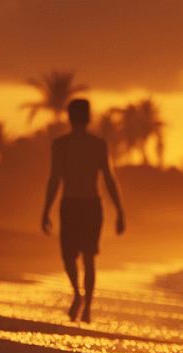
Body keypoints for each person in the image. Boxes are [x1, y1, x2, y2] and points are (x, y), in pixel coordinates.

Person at [41, 98, 124, 323]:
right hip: (88, 205)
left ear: (69, 116)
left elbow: (55, 179)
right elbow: (108, 179)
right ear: (88, 117)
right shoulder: (92, 144)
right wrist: (120, 211)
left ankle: (81, 299)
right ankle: (84, 302)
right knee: (87, 259)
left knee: (71, 257)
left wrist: (46, 211)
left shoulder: (65, 143)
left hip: (74, 204)